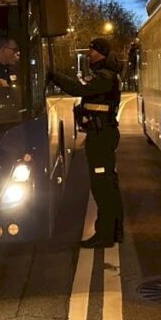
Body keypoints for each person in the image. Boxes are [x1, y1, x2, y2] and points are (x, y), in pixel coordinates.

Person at [48, 37, 124, 249]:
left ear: (101, 53)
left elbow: (76, 88)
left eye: (92, 51)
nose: (89, 54)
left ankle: (105, 234)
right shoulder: (106, 74)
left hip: (101, 136)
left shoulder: (104, 76)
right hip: (102, 133)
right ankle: (114, 231)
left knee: (102, 186)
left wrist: (53, 76)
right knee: (108, 184)